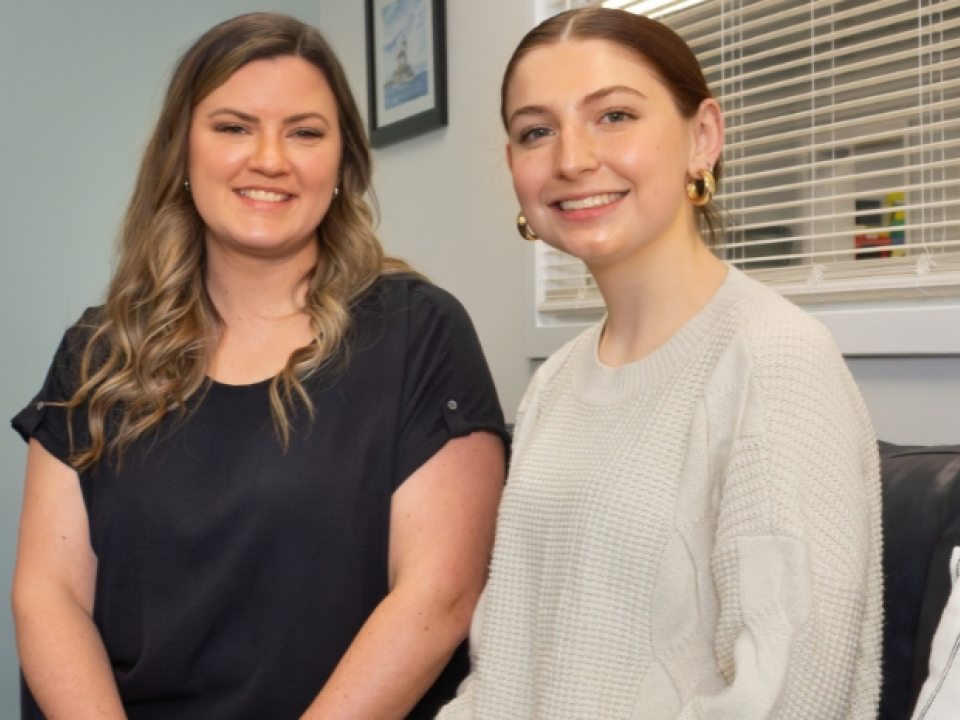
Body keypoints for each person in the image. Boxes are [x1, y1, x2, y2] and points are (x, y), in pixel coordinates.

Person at [11, 12, 507, 720]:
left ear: (342, 164)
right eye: (233, 126)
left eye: (305, 132)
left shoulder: (418, 333)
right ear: (182, 154)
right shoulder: (97, 353)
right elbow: (48, 595)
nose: (269, 158)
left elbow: (439, 595)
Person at [439, 7, 882, 719]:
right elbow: (505, 674)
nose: (572, 159)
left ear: (702, 137)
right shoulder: (555, 384)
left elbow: (794, 695)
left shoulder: (775, 360)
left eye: (613, 115)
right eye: (535, 130)